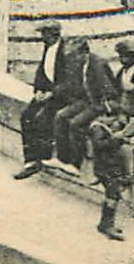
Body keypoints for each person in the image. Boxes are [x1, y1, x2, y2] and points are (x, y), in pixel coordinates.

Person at [14, 21, 65, 179]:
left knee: (44, 119)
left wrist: (52, 93)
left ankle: (43, 158)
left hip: (62, 95)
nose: (42, 37)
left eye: (44, 33)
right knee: (26, 116)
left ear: (52, 34)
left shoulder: (67, 52)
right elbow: (42, 71)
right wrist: (38, 91)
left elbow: (71, 80)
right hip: (46, 92)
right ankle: (30, 161)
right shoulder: (48, 47)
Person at [52, 37, 112, 170]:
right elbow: (73, 85)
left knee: (75, 123)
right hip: (85, 101)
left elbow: (109, 91)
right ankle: (62, 159)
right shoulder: (79, 64)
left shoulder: (98, 65)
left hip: (98, 104)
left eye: (74, 56)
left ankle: (75, 163)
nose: (72, 59)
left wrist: (102, 107)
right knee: (60, 116)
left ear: (83, 53)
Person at [89, 102, 134, 241]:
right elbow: (100, 145)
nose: (116, 122)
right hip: (105, 168)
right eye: (114, 119)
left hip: (110, 167)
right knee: (112, 196)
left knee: (114, 195)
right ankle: (107, 225)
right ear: (104, 116)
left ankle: (105, 223)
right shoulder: (97, 128)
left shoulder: (104, 127)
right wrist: (117, 138)